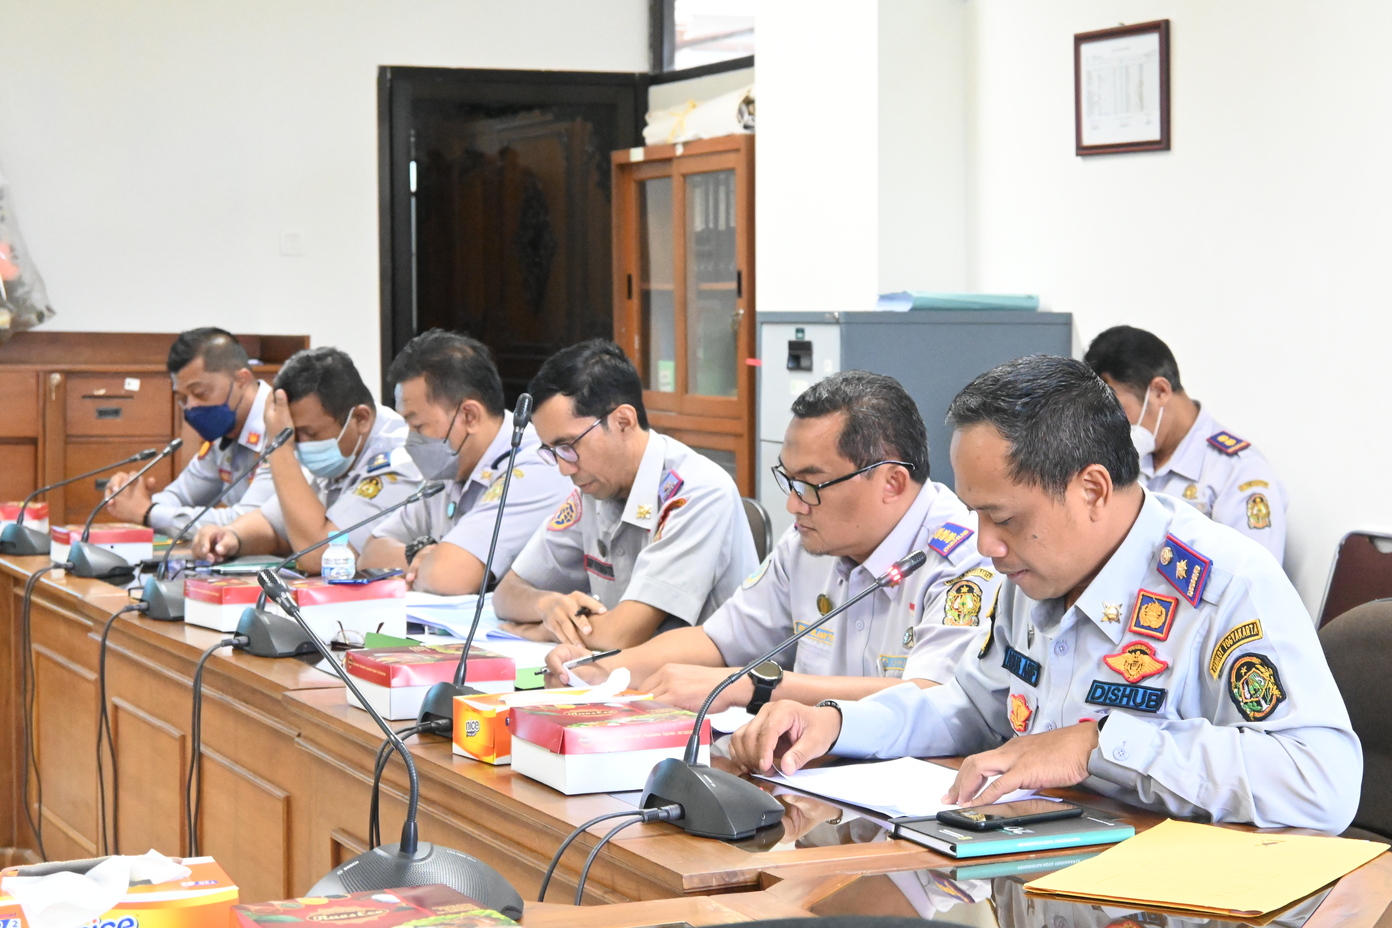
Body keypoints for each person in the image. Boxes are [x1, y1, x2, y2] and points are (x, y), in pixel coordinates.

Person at [731, 355, 1360, 833]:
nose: (984, 545)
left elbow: (1322, 780)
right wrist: (837, 724)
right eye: (975, 515)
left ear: (1090, 489)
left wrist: (1097, 746)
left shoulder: (1223, 584)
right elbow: (974, 708)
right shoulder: (1033, 574)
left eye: (1002, 518)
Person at [546, 371, 1001, 713]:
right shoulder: (809, 542)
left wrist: (752, 686)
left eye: (811, 484)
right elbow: (719, 641)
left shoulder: (964, 557)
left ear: (892, 483)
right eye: (789, 480)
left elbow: (928, 696)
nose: (794, 505)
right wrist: (603, 666)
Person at [493, 339, 758, 649]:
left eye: (568, 447)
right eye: (552, 452)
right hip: (619, 676)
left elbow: (623, 635)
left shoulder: (697, 492)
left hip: (701, 687)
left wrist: (546, 630)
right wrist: (546, 606)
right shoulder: (592, 490)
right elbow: (506, 594)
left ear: (623, 421)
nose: (564, 469)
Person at [355, 330, 571, 594]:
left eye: (418, 425)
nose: (410, 440)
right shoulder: (448, 469)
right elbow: (371, 553)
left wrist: (433, 563)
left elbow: (448, 577)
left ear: (469, 416)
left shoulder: (535, 464)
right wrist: (416, 555)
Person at [190, 347, 422, 573]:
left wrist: (279, 447)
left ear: (360, 418)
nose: (301, 445)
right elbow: (275, 525)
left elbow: (321, 556)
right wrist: (231, 537)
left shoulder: (401, 460)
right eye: (294, 436)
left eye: (310, 434)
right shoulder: (338, 449)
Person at [1084, 325, 1287, 565]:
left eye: (1117, 409)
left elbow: (1255, 580)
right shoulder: (1132, 457)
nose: (1112, 424)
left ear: (1160, 391)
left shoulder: (1237, 471)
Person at [105, 327, 276, 535]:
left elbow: (248, 522)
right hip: (254, 561)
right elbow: (181, 496)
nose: (191, 407)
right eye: (183, 398)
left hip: (293, 565)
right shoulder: (226, 429)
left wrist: (149, 513)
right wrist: (137, 500)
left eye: (199, 393)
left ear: (241, 379)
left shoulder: (281, 426)